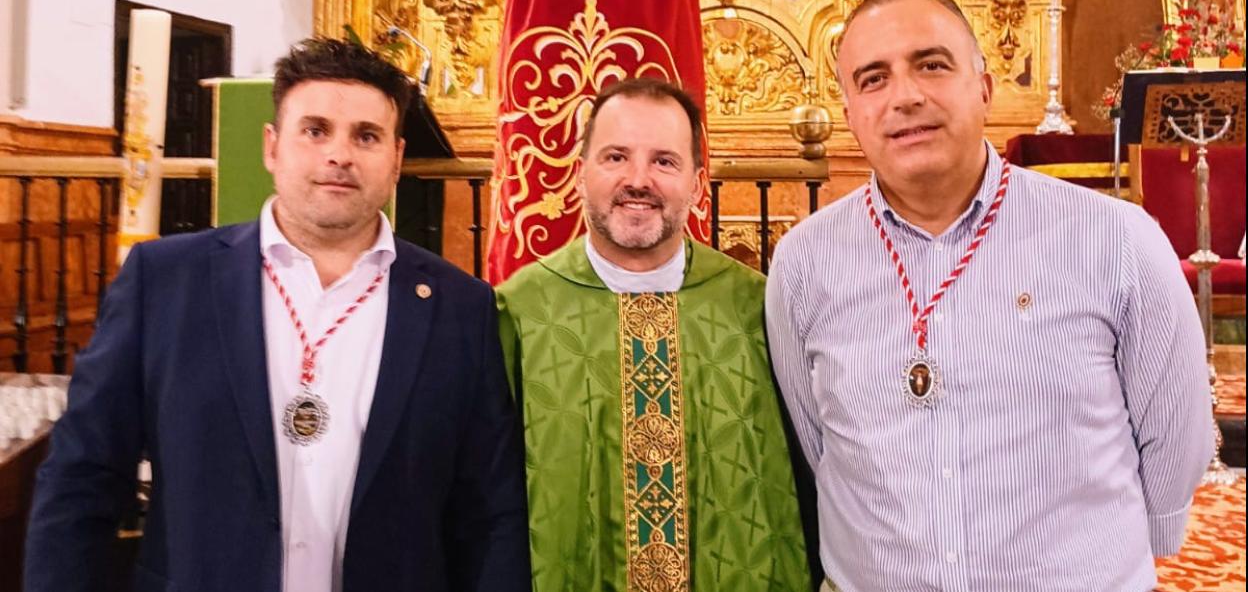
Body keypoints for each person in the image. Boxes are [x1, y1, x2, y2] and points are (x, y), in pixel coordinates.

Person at [25, 38, 530, 592]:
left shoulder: (461, 307)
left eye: (366, 136)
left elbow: (489, 513)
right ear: (272, 147)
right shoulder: (166, 283)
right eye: (315, 130)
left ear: (397, 159)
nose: (339, 154)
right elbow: (83, 476)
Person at [766, 0, 1213, 592]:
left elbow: (1174, 435)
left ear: (984, 87)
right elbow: (820, 451)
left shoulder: (1115, 241)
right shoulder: (803, 264)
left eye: (932, 64)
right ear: (849, 113)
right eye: (873, 79)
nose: (906, 96)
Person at [495, 78, 813, 591]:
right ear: (580, 174)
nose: (638, 180)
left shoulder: (757, 307)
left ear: (696, 181)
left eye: (664, 161)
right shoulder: (521, 312)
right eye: (615, 157)